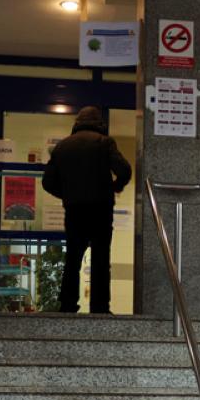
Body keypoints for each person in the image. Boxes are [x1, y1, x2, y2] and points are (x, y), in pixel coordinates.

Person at [43, 106, 132, 314]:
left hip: (74, 211)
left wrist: (67, 194)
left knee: (73, 258)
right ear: (99, 123)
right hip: (101, 209)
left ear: (77, 123)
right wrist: (115, 186)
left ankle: (67, 305)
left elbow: (47, 182)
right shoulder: (104, 142)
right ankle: (99, 307)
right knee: (101, 258)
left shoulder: (63, 147)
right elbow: (125, 170)